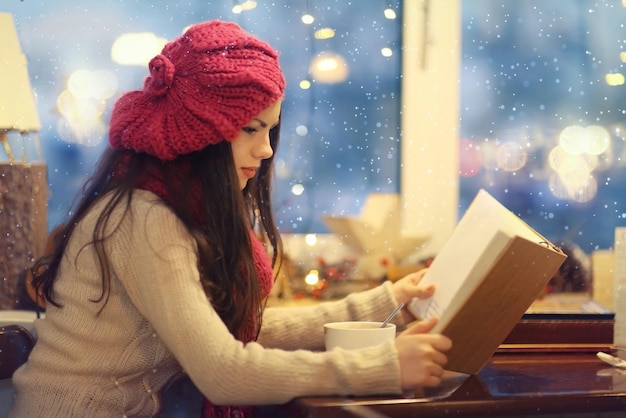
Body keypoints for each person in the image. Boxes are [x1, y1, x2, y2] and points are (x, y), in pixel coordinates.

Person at [8, 20, 452, 418]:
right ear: (202, 133)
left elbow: (240, 332)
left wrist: (387, 303)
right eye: (250, 129)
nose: (266, 150)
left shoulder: (173, 208)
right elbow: (224, 371)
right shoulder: (145, 218)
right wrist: (384, 366)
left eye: (270, 130)